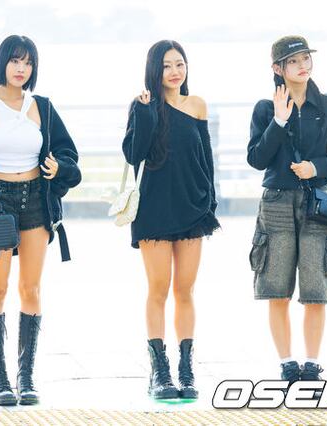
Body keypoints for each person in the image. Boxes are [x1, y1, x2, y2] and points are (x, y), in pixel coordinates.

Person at [0, 35, 81, 406]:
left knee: (31, 289)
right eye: (15, 61)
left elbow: (68, 152)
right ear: (2, 63)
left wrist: (58, 167)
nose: (21, 69)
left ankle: (26, 377)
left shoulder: (43, 107)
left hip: (36, 199)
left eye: (28, 63)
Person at [247, 35, 327, 387]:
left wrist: (316, 168)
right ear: (278, 69)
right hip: (276, 203)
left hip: (316, 203)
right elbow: (256, 159)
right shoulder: (265, 108)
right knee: (276, 288)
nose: (302, 65)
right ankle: (287, 363)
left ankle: (312, 364)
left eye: (305, 58)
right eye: (293, 61)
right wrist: (278, 122)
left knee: (316, 287)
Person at [122, 40, 219, 400]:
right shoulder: (142, 105)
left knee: (185, 290)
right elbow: (133, 154)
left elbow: (206, 159)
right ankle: (159, 371)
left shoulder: (197, 105)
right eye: (167, 66)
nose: (175, 71)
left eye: (180, 64)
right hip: (154, 209)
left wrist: (210, 203)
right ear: (154, 70)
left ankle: (186, 368)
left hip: (193, 207)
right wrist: (147, 113)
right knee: (159, 288)